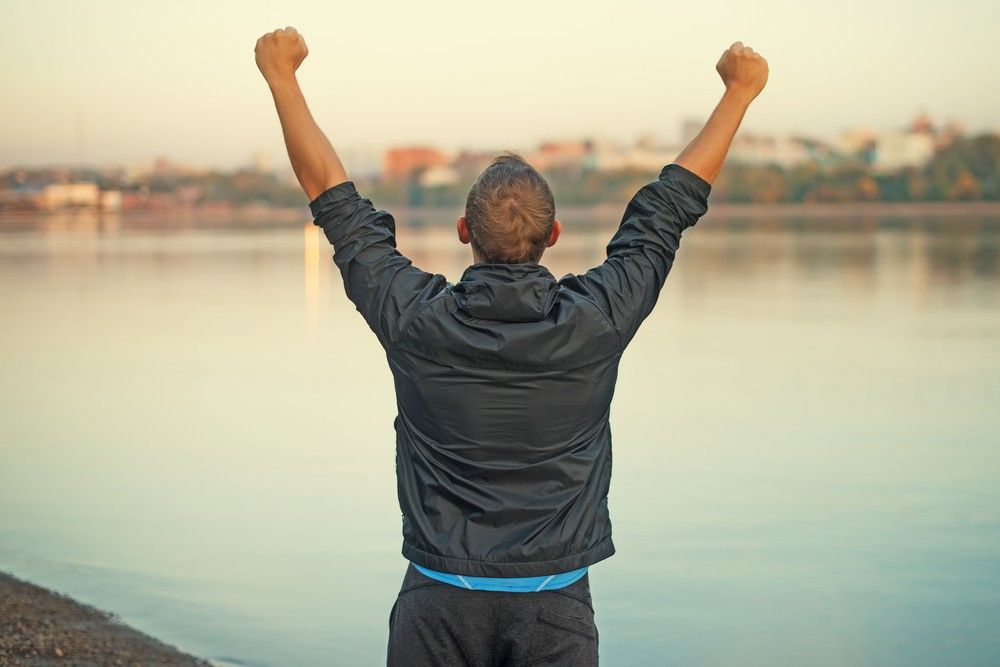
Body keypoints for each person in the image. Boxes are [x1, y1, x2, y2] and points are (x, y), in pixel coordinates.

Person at [255, 26, 768, 666]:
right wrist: (738, 94)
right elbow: (665, 213)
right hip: (554, 606)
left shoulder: (417, 320)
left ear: (465, 230)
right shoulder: (597, 320)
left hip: (437, 605)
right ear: (553, 234)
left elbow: (332, 197)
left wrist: (282, 78)